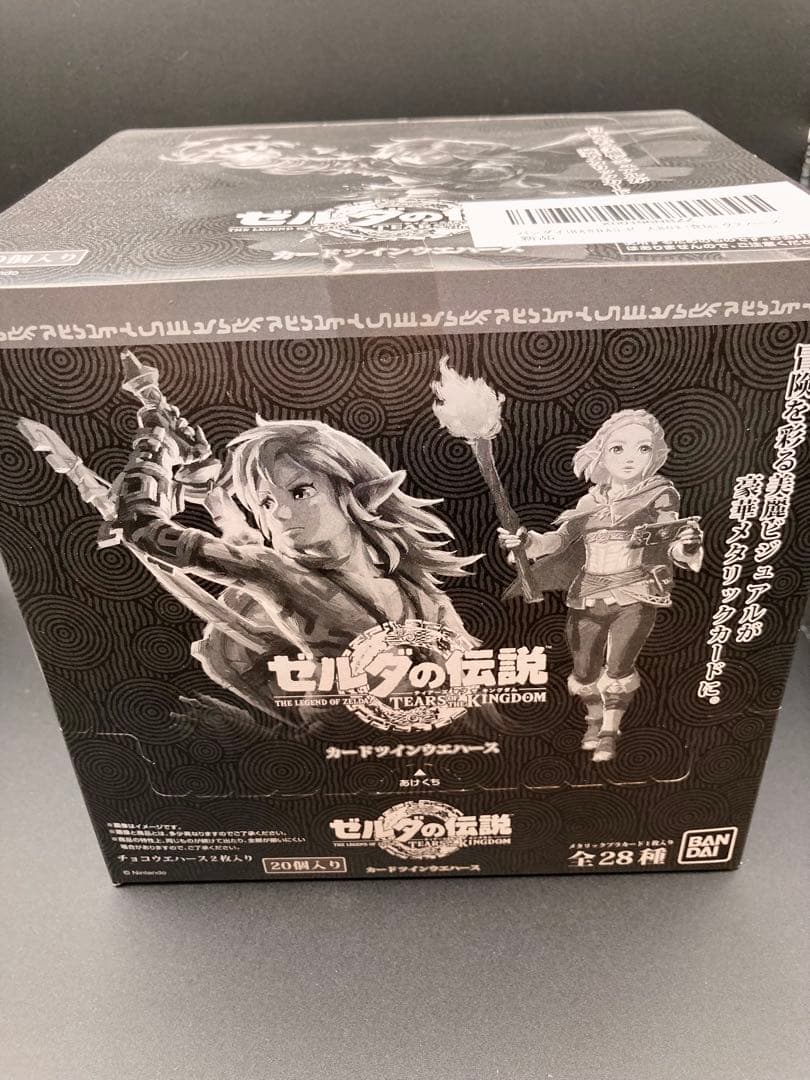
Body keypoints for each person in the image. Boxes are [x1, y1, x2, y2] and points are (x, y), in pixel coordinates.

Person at [114, 407, 478, 716]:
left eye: (300, 492)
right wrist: (155, 447)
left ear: (357, 494)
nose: (280, 515)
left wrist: (156, 444)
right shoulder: (275, 572)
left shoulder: (425, 598)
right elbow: (142, 529)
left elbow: (474, 692)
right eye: (266, 503)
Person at [498, 409, 703, 763]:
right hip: (587, 593)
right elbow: (558, 541)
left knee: (619, 666)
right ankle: (593, 718)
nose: (630, 458)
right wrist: (526, 542)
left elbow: (668, 537)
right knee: (583, 670)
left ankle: (609, 730)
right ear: (602, 454)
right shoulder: (590, 501)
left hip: (634, 591)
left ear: (654, 454)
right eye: (618, 448)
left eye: (642, 448)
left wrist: (686, 545)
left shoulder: (660, 494)